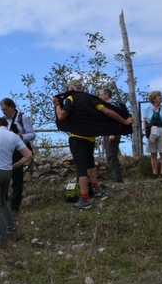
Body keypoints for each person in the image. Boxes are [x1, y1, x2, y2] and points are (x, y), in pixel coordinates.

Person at [54, 79, 133, 209]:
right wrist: (124, 121)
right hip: (90, 139)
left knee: (81, 168)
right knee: (90, 163)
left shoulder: (70, 98)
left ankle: (84, 199)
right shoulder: (90, 99)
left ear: (71, 88)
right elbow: (108, 111)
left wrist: (57, 104)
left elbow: (62, 116)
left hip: (77, 137)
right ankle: (95, 187)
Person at [0, 117, 33, 249]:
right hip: (6, 172)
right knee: (3, 203)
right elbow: (28, 155)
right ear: (6, 125)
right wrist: (13, 166)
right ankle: (14, 231)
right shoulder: (14, 137)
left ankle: (2, 238)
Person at [0, 97, 35, 216]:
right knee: (3, 178)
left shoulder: (22, 117)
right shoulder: (3, 120)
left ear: (12, 107)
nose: (3, 112)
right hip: (6, 151)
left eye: (5, 109)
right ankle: (3, 205)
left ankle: (15, 207)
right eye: (2, 110)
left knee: (17, 178)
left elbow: (32, 134)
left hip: (19, 150)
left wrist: (21, 136)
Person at [143, 90, 162, 179]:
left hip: (161, 129)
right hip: (151, 130)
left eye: (161, 95)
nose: (161, 97)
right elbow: (144, 121)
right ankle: (154, 173)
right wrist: (146, 131)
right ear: (153, 98)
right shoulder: (147, 109)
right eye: (158, 95)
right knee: (153, 153)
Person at [99, 88, 124, 183]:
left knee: (112, 155)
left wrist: (112, 133)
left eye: (101, 94)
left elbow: (114, 120)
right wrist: (102, 136)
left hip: (112, 133)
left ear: (107, 95)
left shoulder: (112, 105)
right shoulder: (106, 106)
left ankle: (117, 179)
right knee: (109, 155)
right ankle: (115, 178)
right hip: (107, 133)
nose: (100, 97)